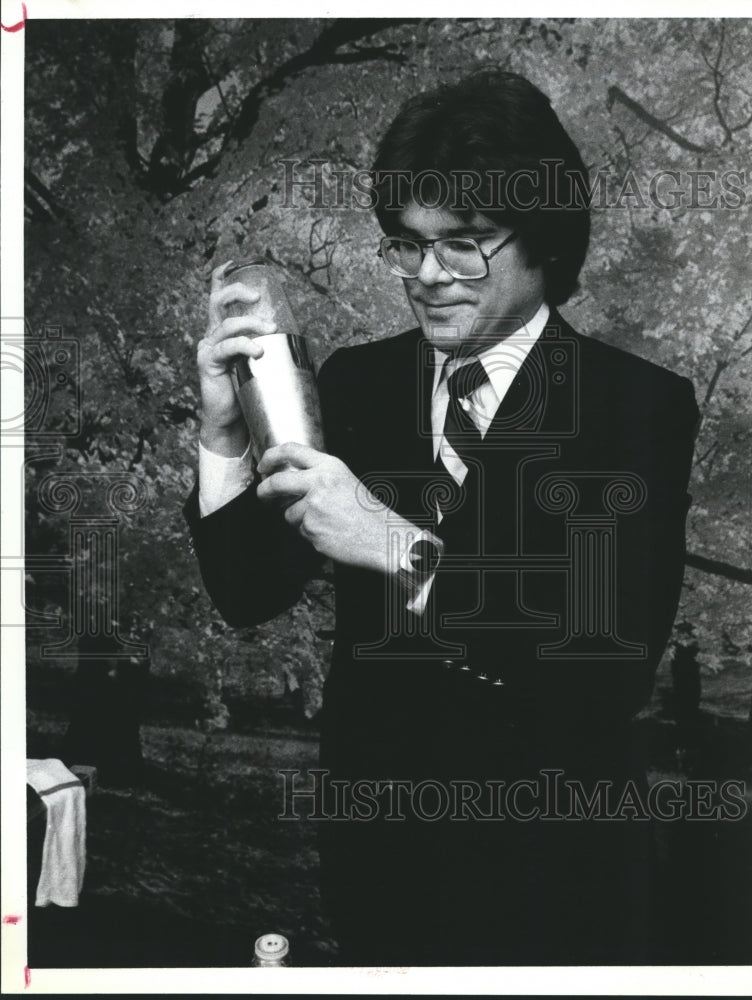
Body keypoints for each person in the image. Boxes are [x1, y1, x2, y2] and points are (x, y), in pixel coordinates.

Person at [185, 70, 699, 965]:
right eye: (406, 244)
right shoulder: (355, 384)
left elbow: (606, 665)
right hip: (378, 865)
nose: (427, 277)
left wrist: (392, 543)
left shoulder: (637, 405)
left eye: (463, 244)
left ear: (543, 239)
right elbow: (245, 591)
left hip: (559, 882)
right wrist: (222, 436)